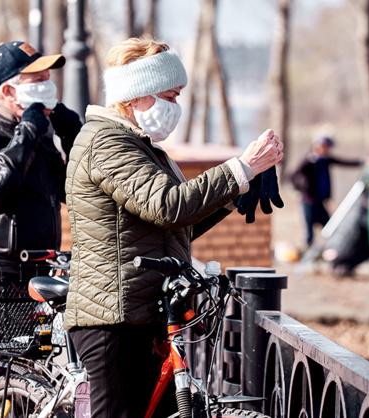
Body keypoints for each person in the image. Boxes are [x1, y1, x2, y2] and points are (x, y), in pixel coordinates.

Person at [63, 37, 284, 417]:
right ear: (136, 95)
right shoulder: (107, 144)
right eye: (170, 96)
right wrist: (241, 168)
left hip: (140, 312)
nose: (176, 107)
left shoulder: (137, 144)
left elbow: (172, 228)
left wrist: (235, 193)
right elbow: (168, 206)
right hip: (112, 319)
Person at [0, 41, 82, 417]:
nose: (47, 85)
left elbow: (74, 190)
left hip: (37, 281)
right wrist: (27, 134)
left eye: (47, 78)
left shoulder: (37, 133)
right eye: (36, 79)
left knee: (29, 395)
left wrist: (73, 135)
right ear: (8, 90)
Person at [291, 134, 364, 248]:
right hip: (308, 201)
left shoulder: (325, 160)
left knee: (330, 225)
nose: (326, 149)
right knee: (309, 230)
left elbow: (344, 162)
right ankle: (308, 254)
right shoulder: (309, 160)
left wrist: (362, 161)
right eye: (325, 146)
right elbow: (293, 175)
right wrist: (302, 190)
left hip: (320, 201)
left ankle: (331, 249)